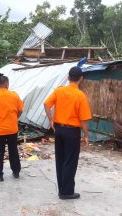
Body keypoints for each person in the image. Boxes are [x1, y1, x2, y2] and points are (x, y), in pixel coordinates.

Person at [43, 66, 92, 200]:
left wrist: (51, 120)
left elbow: (46, 104)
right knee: (70, 161)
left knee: (60, 160)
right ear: (80, 79)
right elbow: (83, 120)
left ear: (69, 78)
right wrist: (86, 135)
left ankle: (62, 189)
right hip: (72, 132)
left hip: (59, 130)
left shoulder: (59, 91)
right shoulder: (80, 96)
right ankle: (67, 192)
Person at [0, 76, 24, 182]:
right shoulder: (14, 95)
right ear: (7, 84)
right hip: (12, 129)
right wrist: (15, 118)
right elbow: (20, 109)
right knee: (13, 151)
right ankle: (16, 172)